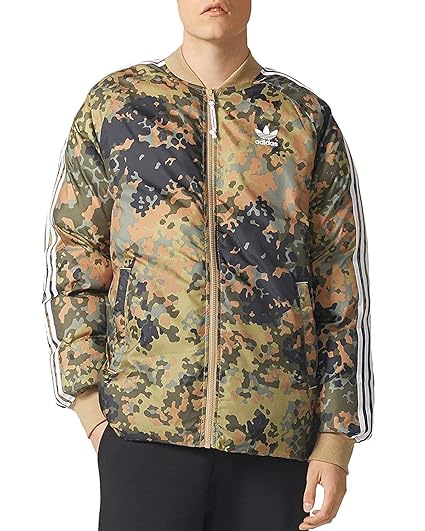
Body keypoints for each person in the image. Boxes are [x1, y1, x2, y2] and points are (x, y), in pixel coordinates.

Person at [42, 1, 374, 530]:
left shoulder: (302, 117)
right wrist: (90, 409)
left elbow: (340, 282)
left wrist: (335, 439)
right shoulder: (117, 105)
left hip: (273, 437)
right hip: (143, 431)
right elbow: (75, 258)